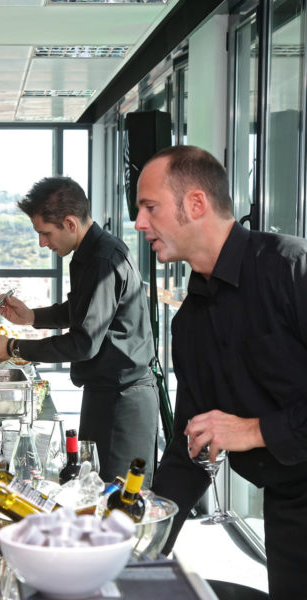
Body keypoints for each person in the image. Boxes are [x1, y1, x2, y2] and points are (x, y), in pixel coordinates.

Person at [135, 145, 307, 600]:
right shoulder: (189, 323)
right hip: (288, 506)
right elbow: (190, 448)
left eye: (149, 207)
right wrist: (141, 551)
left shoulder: (291, 269)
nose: (139, 223)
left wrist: (256, 431)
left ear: (195, 204)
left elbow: (246, 431)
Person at [0, 176, 159, 485]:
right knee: (90, 491)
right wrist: (31, 316)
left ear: (70, 223)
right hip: (105, 390)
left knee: (117, 504)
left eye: (45, 233)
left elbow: (82, 343)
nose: (42, 243)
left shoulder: (103, 259)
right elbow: (80, 311)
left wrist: (12, 348)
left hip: (124, 400)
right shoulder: (88, 254)